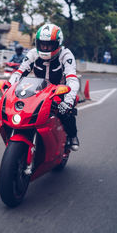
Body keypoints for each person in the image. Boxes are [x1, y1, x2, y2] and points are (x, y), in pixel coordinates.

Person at [9, 23, 80, 151]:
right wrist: (8, 91)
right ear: (37, 43)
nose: (45, 48)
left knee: (66, 113)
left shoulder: (66, 54)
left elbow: (72, 80)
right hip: (39, 89)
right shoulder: (32, 53)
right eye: (42, 44)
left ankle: (72, 135)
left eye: (49, 45)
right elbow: (18, 73)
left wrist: (68, 102)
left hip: (60, 90)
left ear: (58, 43)